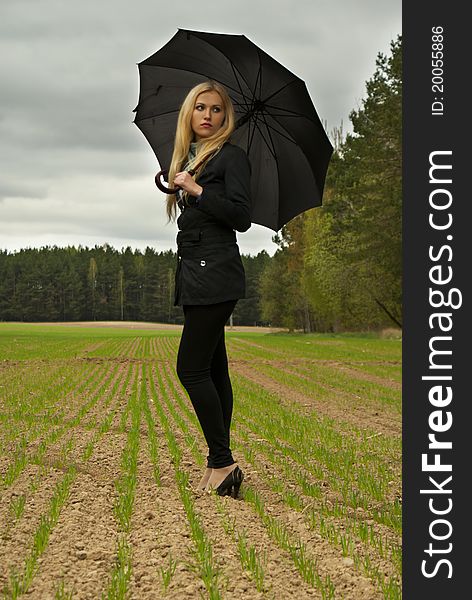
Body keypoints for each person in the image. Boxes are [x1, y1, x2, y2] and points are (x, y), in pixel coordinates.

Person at [164, 80, 251, 498]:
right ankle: (221, 462)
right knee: (215, 371)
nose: (208, 115)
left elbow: (240, 216)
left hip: (215, 273)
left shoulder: (231, 158)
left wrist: (195, 191)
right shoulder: (194, 158)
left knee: (190, 368)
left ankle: (222, 461)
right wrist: (179, 185)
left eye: (217, 109)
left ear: (225, 116)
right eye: (200, 107)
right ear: (189, 113)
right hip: (198, 273)